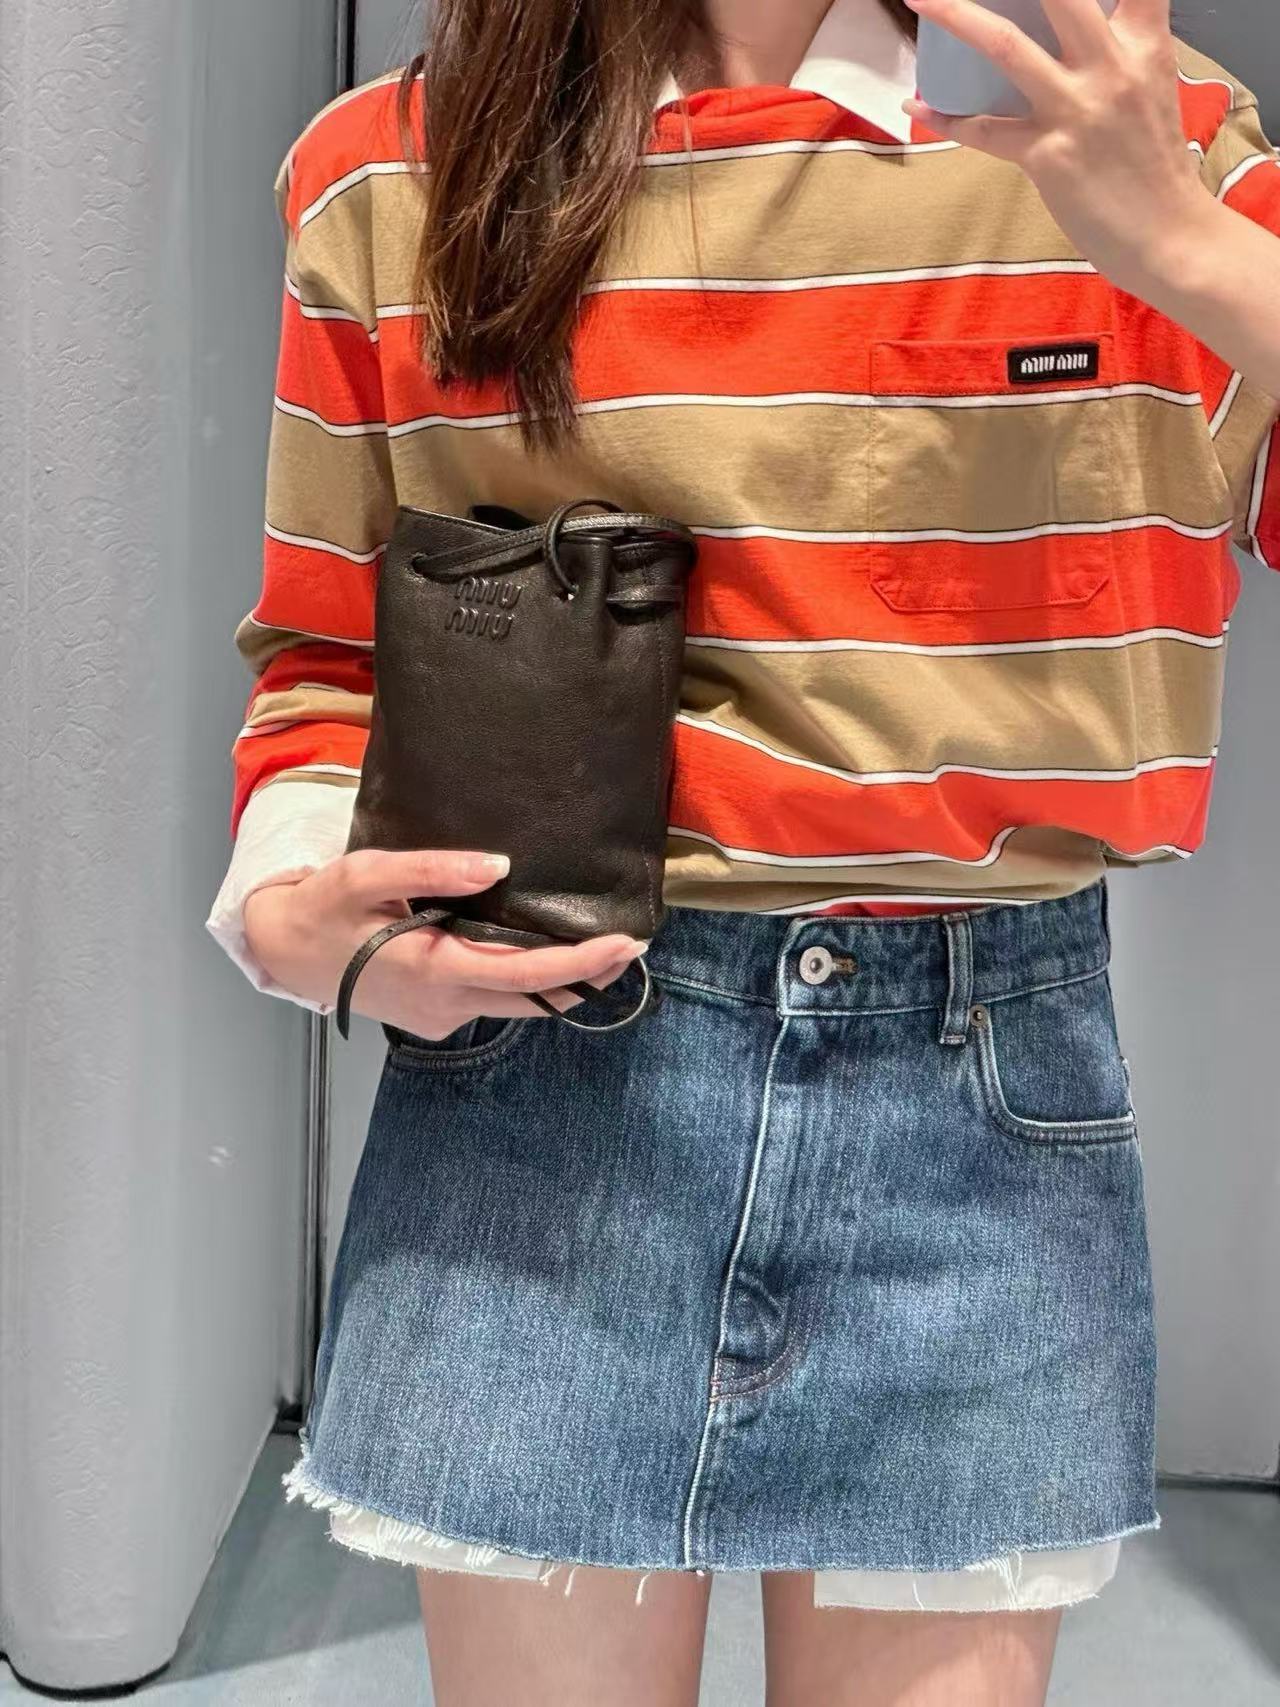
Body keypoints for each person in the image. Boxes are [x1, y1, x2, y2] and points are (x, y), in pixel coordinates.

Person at [206, 0, 1280, 1701]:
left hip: (978, 1118)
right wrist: (292, 914)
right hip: (541, 1097)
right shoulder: (398, 171)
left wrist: (1194, 258)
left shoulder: (1148, 138)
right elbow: (332, 653)